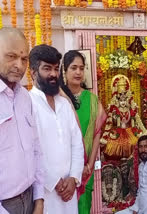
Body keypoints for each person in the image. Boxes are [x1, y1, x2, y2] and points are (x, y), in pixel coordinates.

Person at [29, 44, 84, 213]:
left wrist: (74, 177)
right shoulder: (28, 103)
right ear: (32, 72)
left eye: (55, 68)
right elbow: (30, 151)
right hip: (45, 192)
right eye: (47, 68)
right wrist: (54, 181)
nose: (53, 74)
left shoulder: (64, 104)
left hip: (69, 190)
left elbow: (77, 143)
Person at [0, 28, 44, 214]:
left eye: (24, 58)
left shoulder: (25, 97)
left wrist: (39, 198)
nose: (19, 65)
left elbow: (36, 149)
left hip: (30, 198)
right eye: (11, 56)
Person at [59, 50, 107, 214]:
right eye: (73, 68)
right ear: (64, 71)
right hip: (63, 171)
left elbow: (96, 133)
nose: (78, 72)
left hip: (86, 170)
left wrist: (90, 164)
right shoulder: (58, 98)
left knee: (84, 208)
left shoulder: (92, 100)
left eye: (81, 68)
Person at [100, 74, 147, 158]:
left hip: (130, 131)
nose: (123, 101)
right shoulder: (114, 109)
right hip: (117, 132)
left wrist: (144, 131)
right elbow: (109, 124)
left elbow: (137, 120)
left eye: (124, 97)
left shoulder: (131, 108)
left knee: (133, 143)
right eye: (120, 98)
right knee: (112, 144)